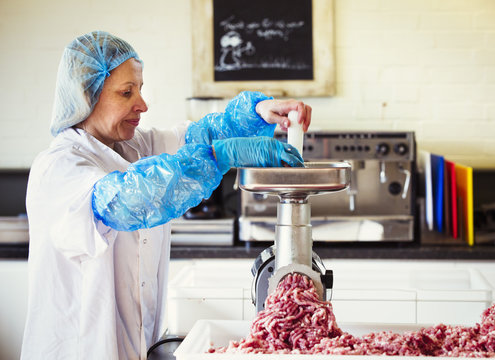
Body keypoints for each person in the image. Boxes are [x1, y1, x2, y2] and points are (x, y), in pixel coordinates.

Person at [20, 31, 311, 359]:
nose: (142, 105)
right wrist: (220, 156)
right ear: (86, 96)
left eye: (140, 89)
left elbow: (202, 135)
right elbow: (126, 200)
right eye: (126, 92)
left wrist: (259, 111)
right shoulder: (58, 166)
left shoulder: (135, 146)